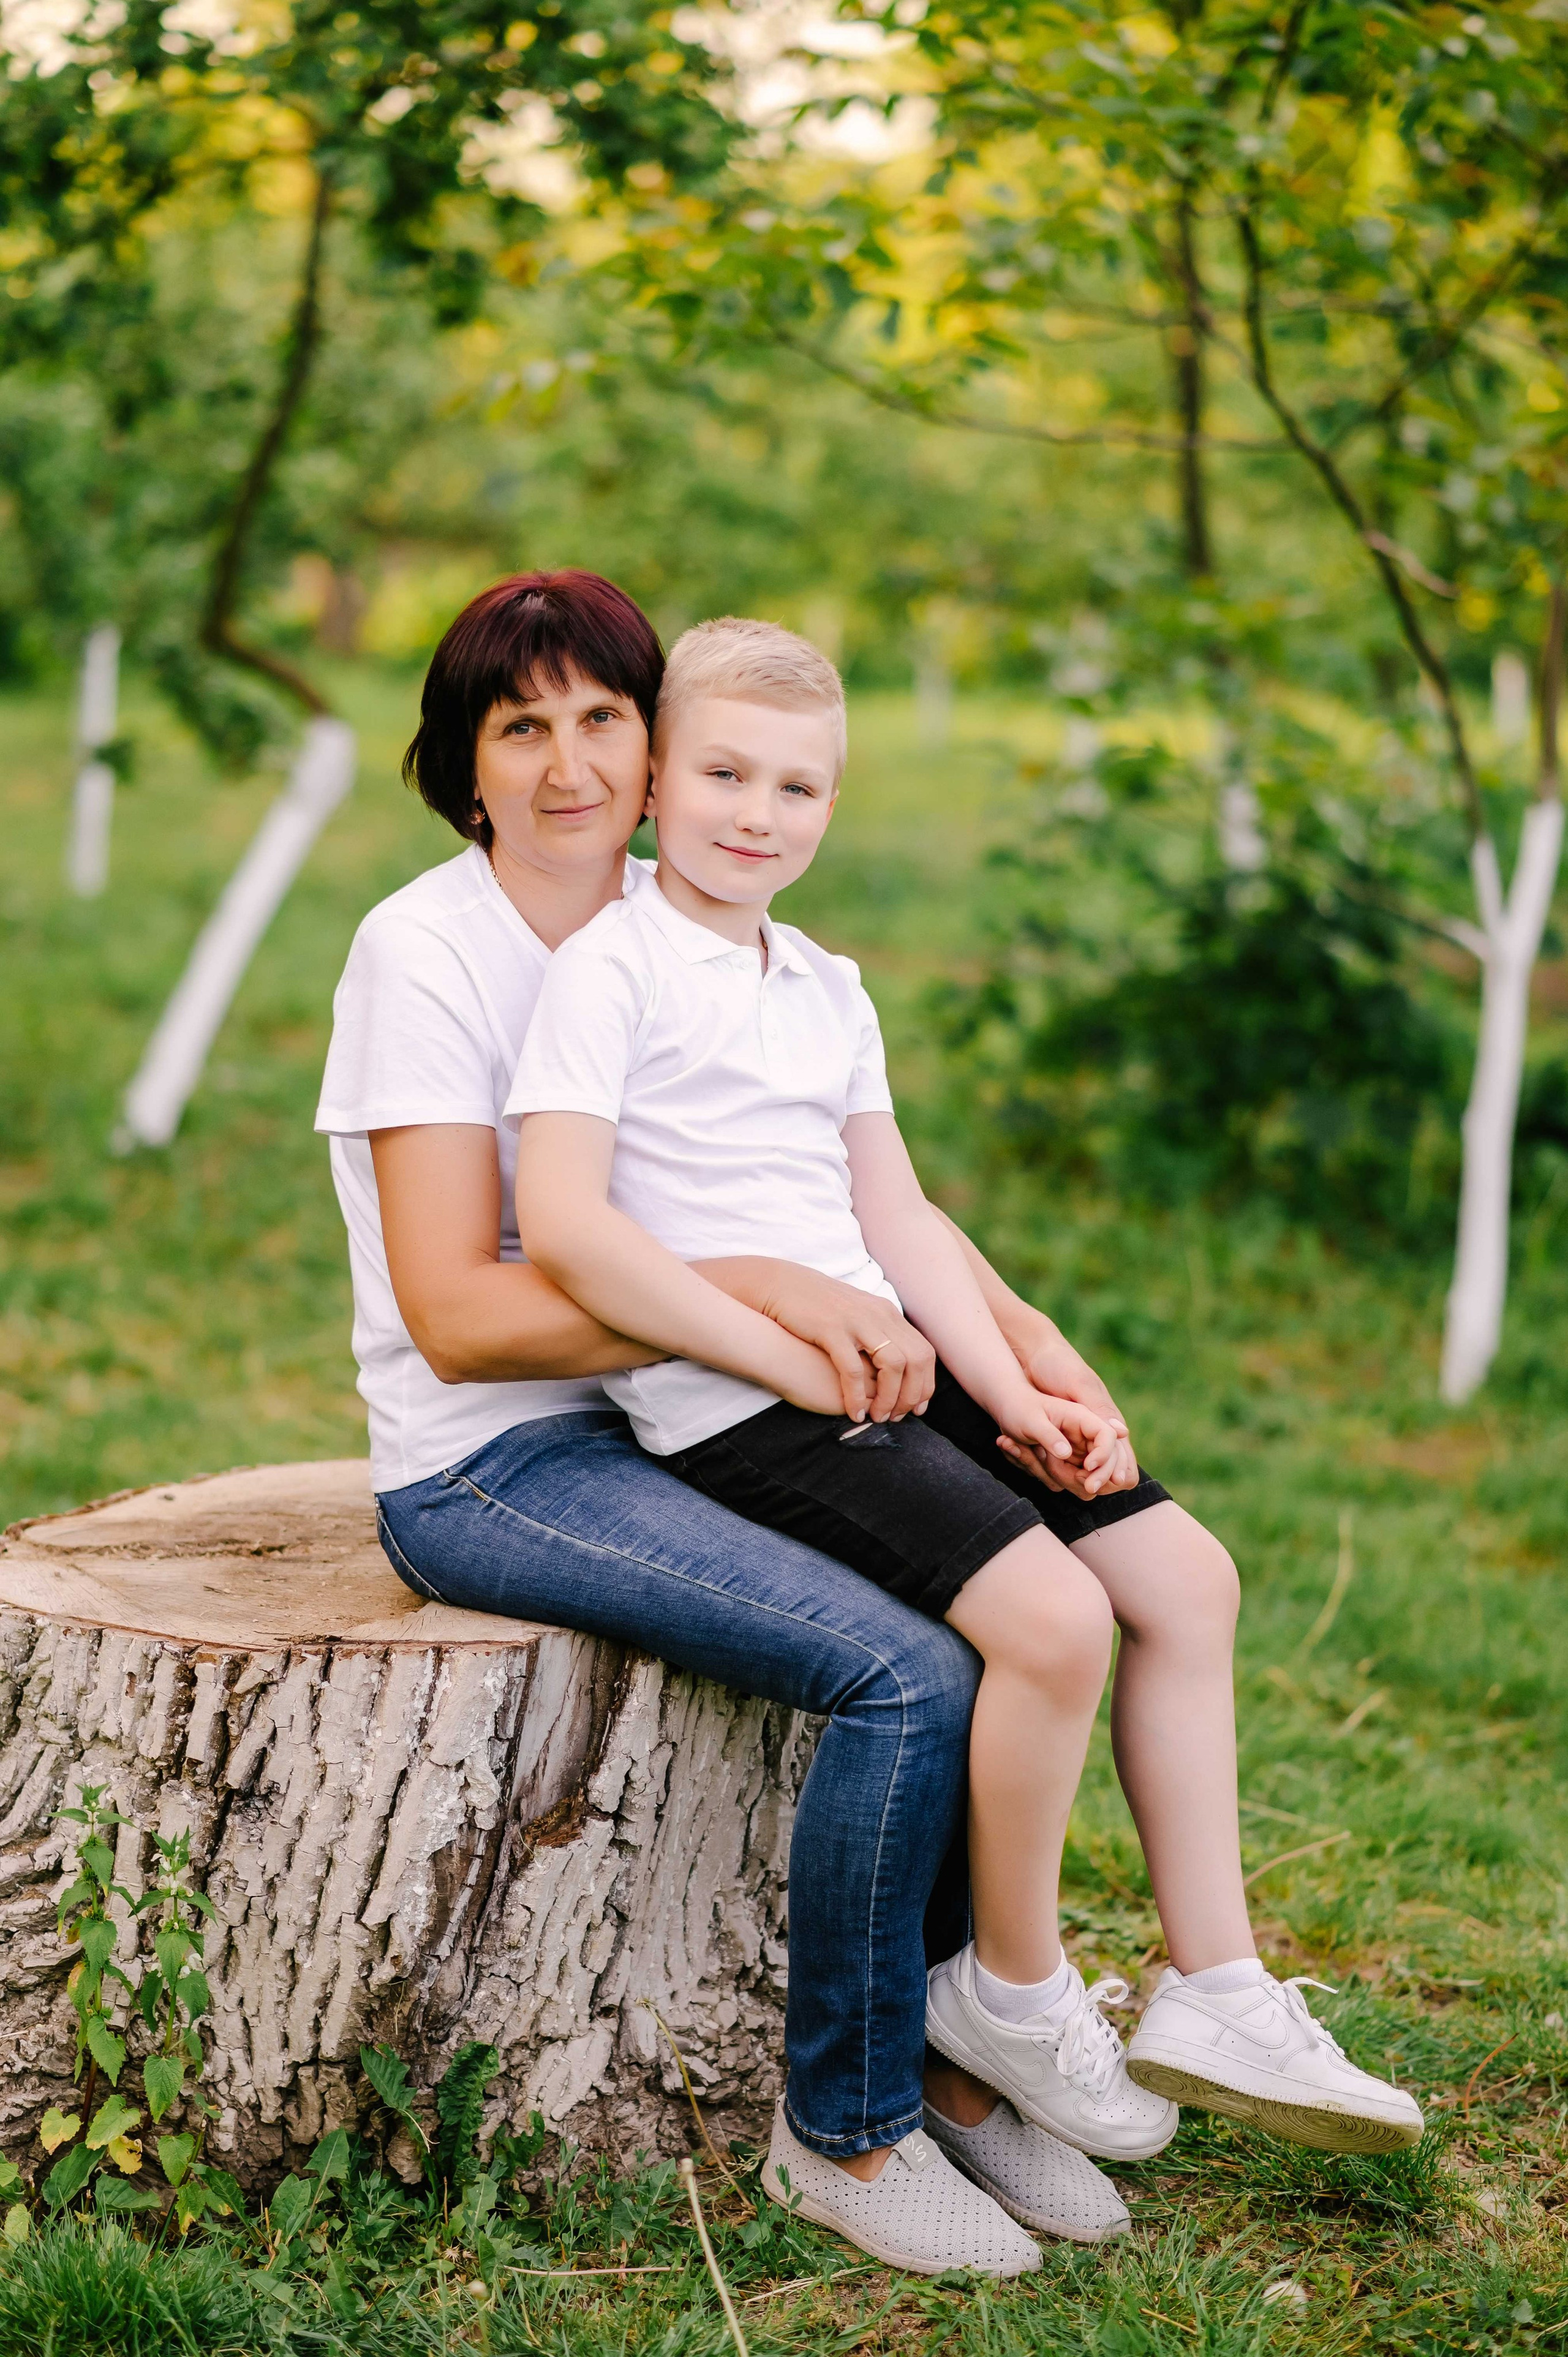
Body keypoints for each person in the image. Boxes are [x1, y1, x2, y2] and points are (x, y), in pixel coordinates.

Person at [503, 616, 1427, 2236]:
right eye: (723, 773)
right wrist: (777, 1346)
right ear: (653, 786)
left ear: (834, 803)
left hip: (895, 1366)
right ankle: (1011, 1987)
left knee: (1186, 1580)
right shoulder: (609, 969)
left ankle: (1218, 1984)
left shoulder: (829, 987)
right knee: (1054, 1622)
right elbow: (568, 1226)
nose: (757, 814)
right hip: (741, 1397)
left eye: (798, 787)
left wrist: (1023, 1393)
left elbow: (901, 1221)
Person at [319, 570, 1132, 2279]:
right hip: (504, 1459)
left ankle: (962, 2077)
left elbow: (846, 1183)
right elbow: (460, 1317)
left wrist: (1014, 1337)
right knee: (902, 1671)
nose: (567, 764)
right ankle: (845, 2129)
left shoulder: (677, 914)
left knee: (989, 1612)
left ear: (656, 745)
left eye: (602, 720)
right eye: (518, 728)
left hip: (691, 1407)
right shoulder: (426, 951)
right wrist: (758, 1300)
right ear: (463, 761)